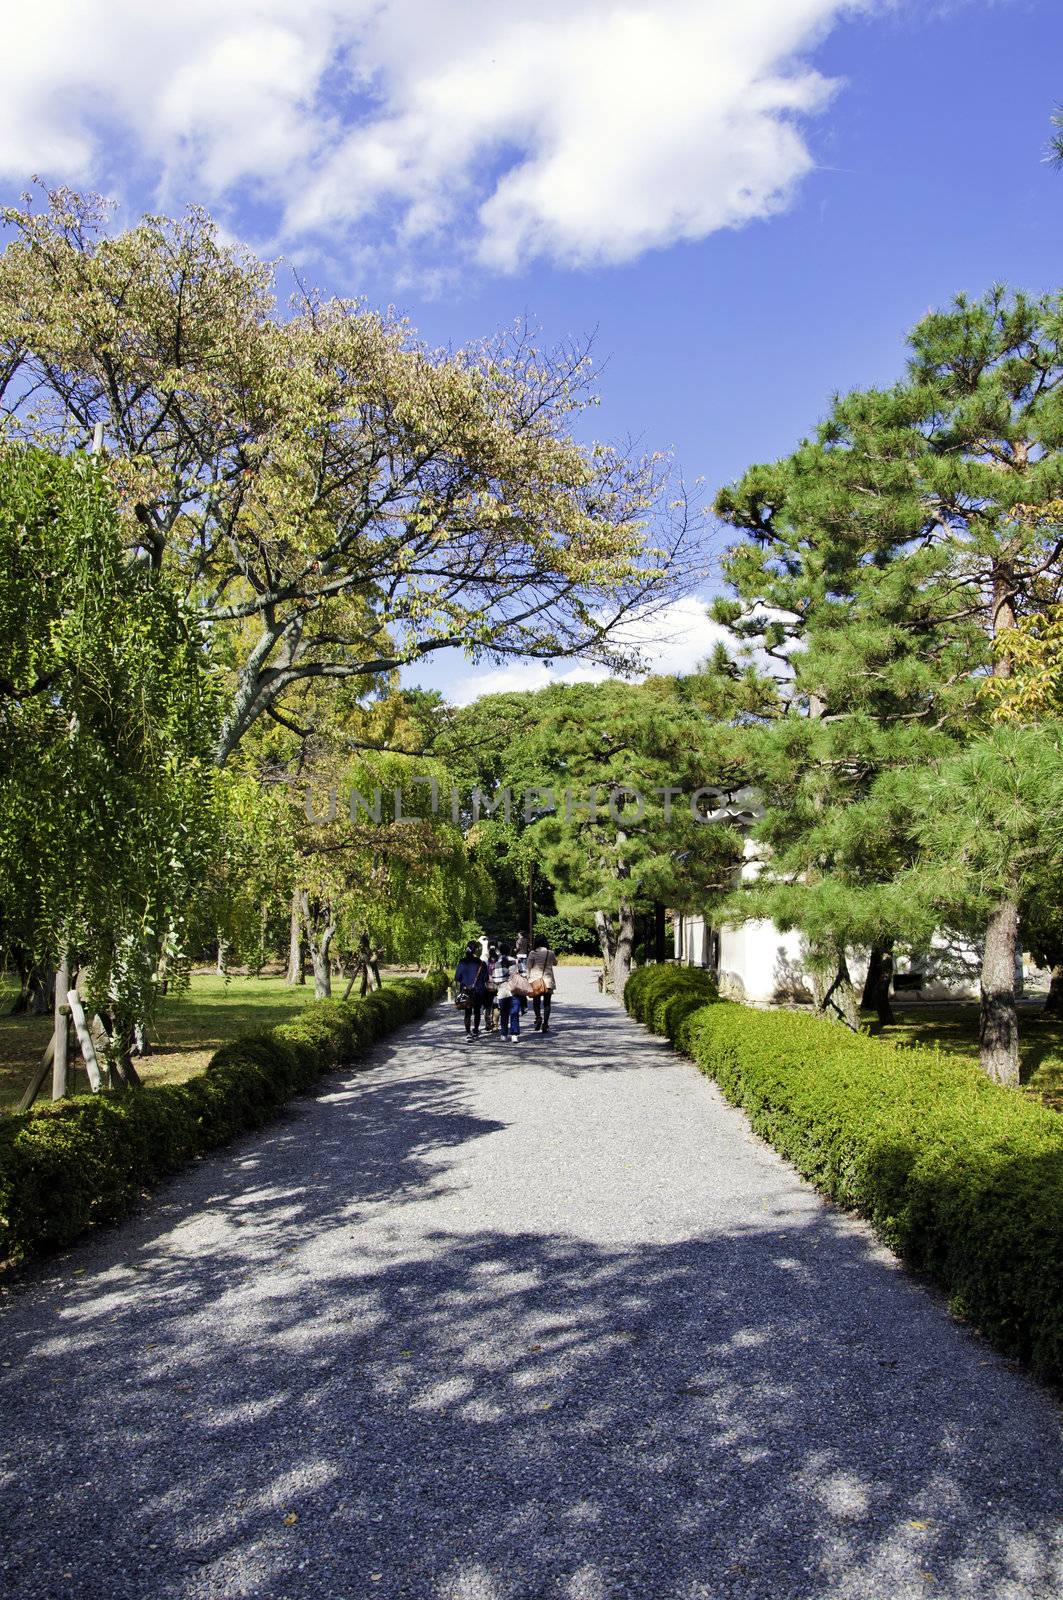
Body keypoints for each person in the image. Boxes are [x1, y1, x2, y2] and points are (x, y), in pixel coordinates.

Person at [454, 941, 489, 1039]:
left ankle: (468, 1033)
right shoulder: (481, 963)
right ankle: (476, 1030)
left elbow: (457, 977)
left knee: (467, 1012)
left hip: (466, 990)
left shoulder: (462, 962)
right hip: (478, 990)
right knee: (477, 1011)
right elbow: (486, 978)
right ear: (477, 951)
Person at [527, 937, 558, 1032]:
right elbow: (555, 963)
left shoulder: (532, 953)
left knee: (536, 1001)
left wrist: (528, 979)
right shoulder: (550, 953)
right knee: (547, 1003)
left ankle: (538, 1017)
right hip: (548, 981)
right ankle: (546, 1024)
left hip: (535, 980)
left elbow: (528, 967)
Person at [494, 942, 522, 1043]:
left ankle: (504, 1034)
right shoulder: (515, 961)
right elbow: (523, 973)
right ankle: (514, 1035)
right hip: (514, 990)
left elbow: (495, 980)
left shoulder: (497, 962)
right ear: (509, 950)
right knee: (514, 1013)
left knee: (504, 1013)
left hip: (502, 991)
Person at [484, 943, 499, 1032]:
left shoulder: (485, 963)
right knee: (496, 1006)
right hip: (497, 985)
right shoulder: (499, 963)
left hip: (487, 986)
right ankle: (495, 1025)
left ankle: (487, 1024)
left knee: (487, 1006)